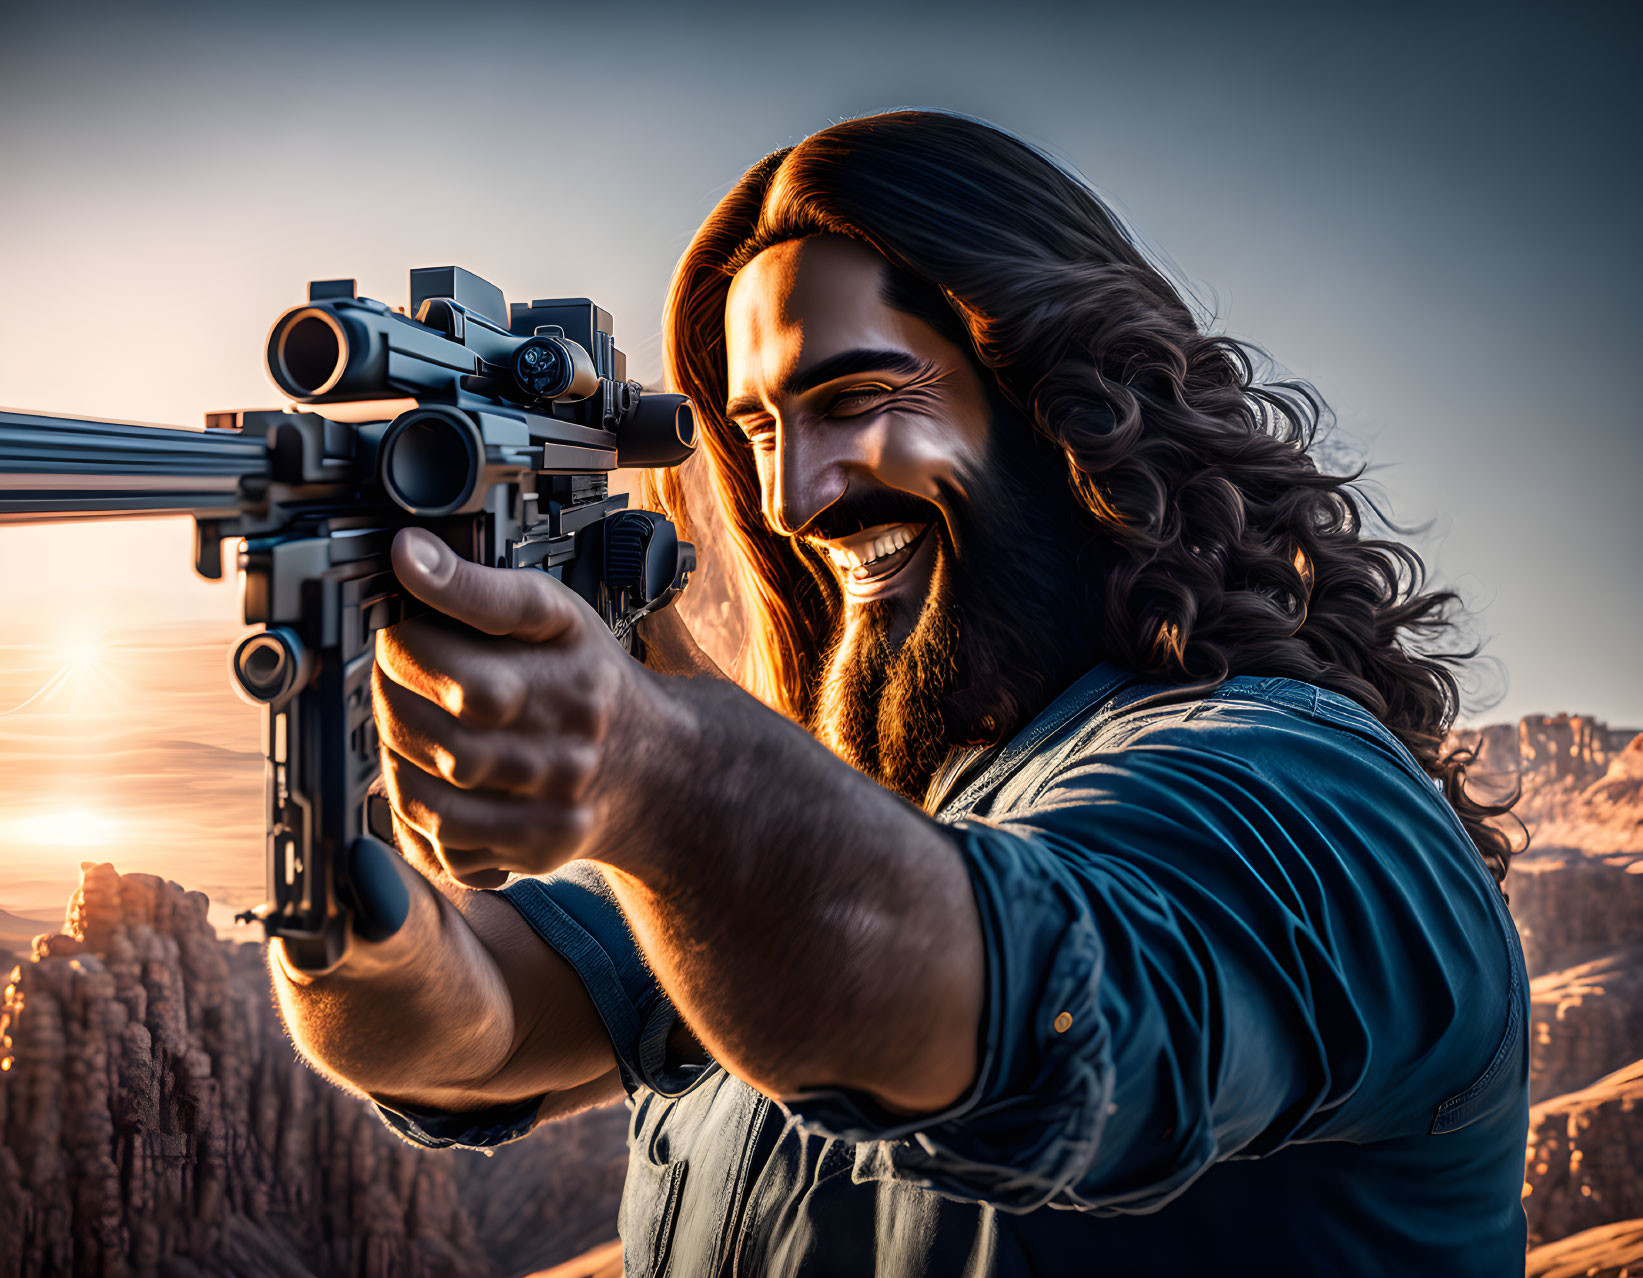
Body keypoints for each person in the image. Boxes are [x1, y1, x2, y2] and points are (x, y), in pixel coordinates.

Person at [271, 111, 1530, 1276]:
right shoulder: (822, 839)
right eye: (759, 430)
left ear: (1062, 403)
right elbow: (471, 1029)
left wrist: (650, 769)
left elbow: (1006, 1002)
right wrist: (334, 851)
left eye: (858, 399)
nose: (791, 497)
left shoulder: (1303, 788)